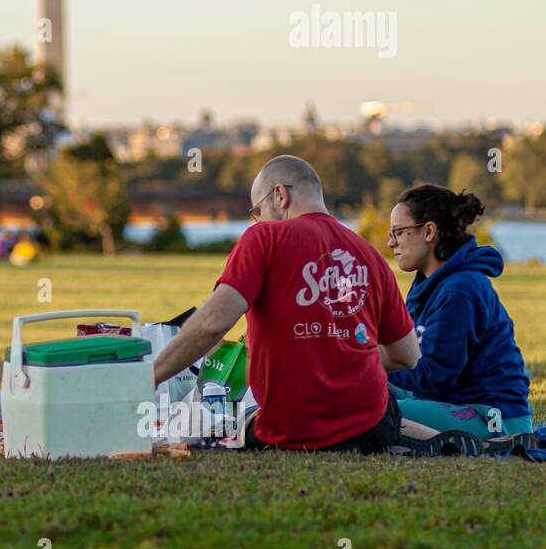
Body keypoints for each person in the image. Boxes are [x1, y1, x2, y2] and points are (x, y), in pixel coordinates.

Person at [151, 155, 421, 453]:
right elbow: (406, 356)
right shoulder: (369, 254)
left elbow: (212, 323)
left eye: (258, 210)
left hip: (293, 430)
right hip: (373, 427)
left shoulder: (264, 238)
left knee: (225, 427)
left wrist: (150, 376)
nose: (258, 219)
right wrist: (338, 355)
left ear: (280, 195)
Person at [384, 184, 534, 444]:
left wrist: (372, 361)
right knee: (357, 391)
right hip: (450, 403)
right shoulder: (429, 283)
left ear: (429, 231)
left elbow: (433, 378)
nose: (390, 243)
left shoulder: (460, 290)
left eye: (398, 232)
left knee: (370, 410)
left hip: (494, 416)